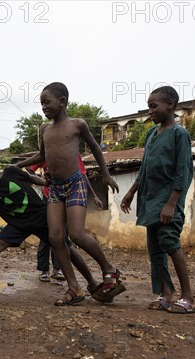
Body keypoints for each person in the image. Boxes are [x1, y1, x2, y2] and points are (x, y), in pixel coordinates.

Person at [16, 82, 124, 305]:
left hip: (75, 183)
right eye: (41, 104)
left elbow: (95, 148)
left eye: (47, 103)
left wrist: (105, 175)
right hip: (55, 187)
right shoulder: (44, 129)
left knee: (76, 233)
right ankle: (74, 288)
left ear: (62, 102)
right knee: (56, 238)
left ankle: (108, 267)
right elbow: (40, 156)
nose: (43, 107)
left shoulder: (77, 125)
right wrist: (18, 165)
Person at [0, 157, 108, 305]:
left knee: (67, 250)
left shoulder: (11, 172)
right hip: (18, 224)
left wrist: (46, 183)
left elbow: (31, 178)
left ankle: (92, 284)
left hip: (41, 217)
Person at [120, 86, 195, 314]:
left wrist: (172, 203)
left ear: (170, 105)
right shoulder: (151, 135)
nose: (150, 111)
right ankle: (166, 293)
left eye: (154, 106)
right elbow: (145, 168)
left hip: (167, 200)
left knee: (170, 242)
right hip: (149, 199)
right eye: (148, 107)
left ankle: (188, 297)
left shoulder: (179, 134)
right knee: (155, 249)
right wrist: (131, 191)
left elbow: (183, 171)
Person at [28, 158, 103, 283]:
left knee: (64, 236)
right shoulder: (48, 153)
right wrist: (43, 182)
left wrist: (94, 195)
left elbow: (82, 174)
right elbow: (30, 168)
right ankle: (44, 270)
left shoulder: (73, 153)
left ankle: (57, 269)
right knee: (49, 235)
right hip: (51, 196)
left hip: (69, 197)